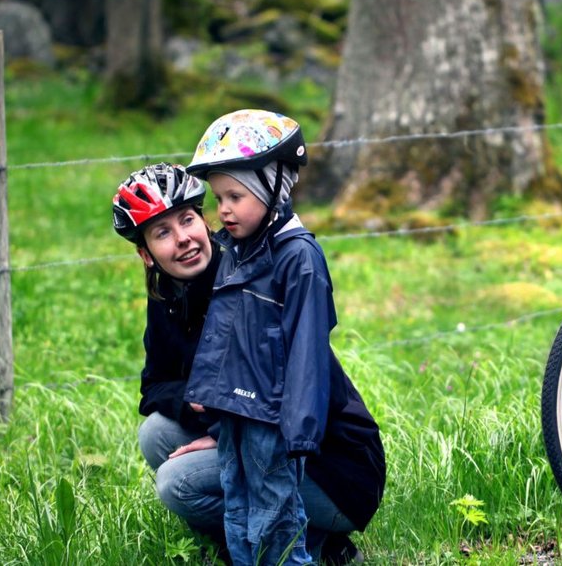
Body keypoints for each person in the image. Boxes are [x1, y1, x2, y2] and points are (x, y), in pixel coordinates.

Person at [114, 159, 384, 565]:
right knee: (155, 434)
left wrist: (224, 432)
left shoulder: (245, 276)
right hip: (253, 432)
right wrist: (203, 410)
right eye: (162, 233)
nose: (183, 239)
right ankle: (255, 542)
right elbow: (153, 386)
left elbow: (286, 390)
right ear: (146, 254)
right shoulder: (169, 297)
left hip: (329, 464)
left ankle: (315, 541)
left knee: (176, 482)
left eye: (187, 221)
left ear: (204, 222)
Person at [179, 109, 366, 566]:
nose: (223, 209)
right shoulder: (236, 251)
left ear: (271, 188)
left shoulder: (298, 258)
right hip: (237, 415)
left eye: (235, 196)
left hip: (273, 424)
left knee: (275, 518)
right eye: (219, 197)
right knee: (239, 512)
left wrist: (298, 432)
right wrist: (209, 393)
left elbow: (307, 353)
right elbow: (223, 332)